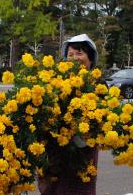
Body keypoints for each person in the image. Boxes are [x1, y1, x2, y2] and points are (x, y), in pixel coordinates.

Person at [38, 34, 99, 195]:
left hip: (81, 155)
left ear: (91, 59)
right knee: (51, 188)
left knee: (77, 189)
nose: (74, 58)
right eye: (70, 54)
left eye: (79, 53)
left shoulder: (98, 84)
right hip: (54, 155)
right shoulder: (55, 82)